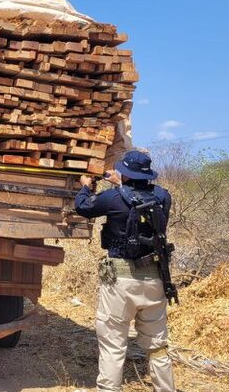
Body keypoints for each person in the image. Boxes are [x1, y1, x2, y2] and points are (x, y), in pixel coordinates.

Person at [74, 150, 175, 392]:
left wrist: (86, 187)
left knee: (113, 344)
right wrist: (124, 183)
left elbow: (83, 208)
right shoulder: (163, 197)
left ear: (126, 173)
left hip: (121, 282)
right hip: (155, 279)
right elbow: (142, 199)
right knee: (158, 347)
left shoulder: (112, 198)